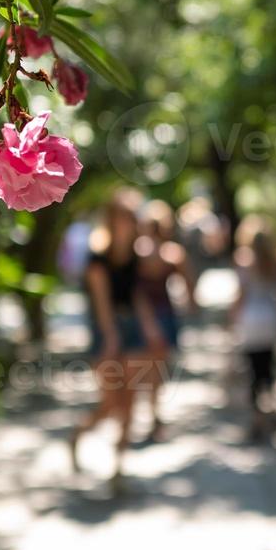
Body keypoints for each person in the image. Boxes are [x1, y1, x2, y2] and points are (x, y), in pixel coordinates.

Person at [70, 189, 165, 487]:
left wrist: (151, 328)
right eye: (123, 217)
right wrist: (110, 338)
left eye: (131, 218)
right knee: (110, 405)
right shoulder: (97, 257)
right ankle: (77, 436)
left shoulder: (136, 257)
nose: (128, 223)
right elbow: (102, 304)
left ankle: (118, 467)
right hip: (105, 331)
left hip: (133, 329)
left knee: (131, 401)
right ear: (111, 219)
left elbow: (137, 296)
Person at [134, 200, 196, 444]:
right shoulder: (172, 252)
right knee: (158, 370)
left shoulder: (138, 251)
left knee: (146, 368)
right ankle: (154, 413)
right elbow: (189, 284)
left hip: (144, 316)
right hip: (164, 314)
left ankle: (152, 413)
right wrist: (192, 305)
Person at [230, 216, 276, 443]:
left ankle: (257, 418)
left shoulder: (244, 261)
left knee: (253, 371)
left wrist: (231, 319)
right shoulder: (275, 262)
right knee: (268, 367)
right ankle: (270, 408)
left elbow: (240, 295)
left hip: (251, 319)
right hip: (270, 318)